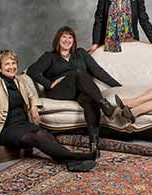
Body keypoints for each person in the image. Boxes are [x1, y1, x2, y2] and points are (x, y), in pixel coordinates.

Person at [0, 50, 96, 172]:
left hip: (22, 123)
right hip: (3, 128)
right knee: (36, 139)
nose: (11, 67)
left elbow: (32, 96)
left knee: (45, 134)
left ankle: (71, 163)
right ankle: (79, 157)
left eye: (13, 63)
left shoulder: (20, 81)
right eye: (7, 64)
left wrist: (34, 107)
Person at [27, 26, 122, 156]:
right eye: (64, 36)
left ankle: (94, 145)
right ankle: (105, 105)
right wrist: (49, 84)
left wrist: (119, 87)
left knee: (90, 99)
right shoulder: (50, 57)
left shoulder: (81, 53)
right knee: (78, 72)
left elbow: (97, 71)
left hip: (78, 93)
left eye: (70, 37)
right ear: (58, 39)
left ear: (74, 40)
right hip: (59, 92)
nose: (67, 40)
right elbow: (32, 71)